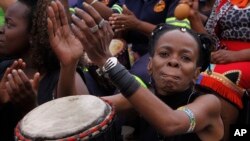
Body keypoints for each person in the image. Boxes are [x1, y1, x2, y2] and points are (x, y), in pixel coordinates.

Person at [49, 2, 224, 140]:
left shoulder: (209, 104)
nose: (173, 61)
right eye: (164, 54)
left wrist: (107, 61)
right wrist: (69, 65)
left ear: (196, 73)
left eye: (185, 58)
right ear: (149, 65)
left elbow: (171, 123)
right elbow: (75, 113)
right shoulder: (140, 99)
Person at [0, 0, 89, 140]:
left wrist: (30, 108)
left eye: (9, 24)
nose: (1, 29)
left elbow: (74, 132)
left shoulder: (64, 79)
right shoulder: (4, 69)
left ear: (32, 35)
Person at [185, 0, 250, 140]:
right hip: (222, 58)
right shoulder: (223, 1)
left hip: (244, 59)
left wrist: (236, 56)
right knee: (188, 75)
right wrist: (194, 17)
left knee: (215, 80)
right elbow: (211, 42)